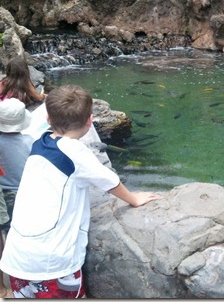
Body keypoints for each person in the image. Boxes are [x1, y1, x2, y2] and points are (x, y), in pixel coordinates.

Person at [0, 85, 161, 298]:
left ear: (48, 120)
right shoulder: (75, 151)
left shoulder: (40, 142)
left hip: (18, 256)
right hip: (51, 263)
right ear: (89, 121)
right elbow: (109, 181)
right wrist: (134, 199)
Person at [0, 98, 34, 299]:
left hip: (3, 194)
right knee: (20, 235)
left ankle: (3, 285)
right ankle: (24, 280)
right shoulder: (29, 141)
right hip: (22, 195)